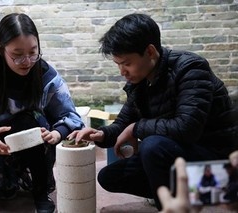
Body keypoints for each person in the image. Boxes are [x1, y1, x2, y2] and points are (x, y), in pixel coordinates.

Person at [68, 13, 237, 211]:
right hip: (179, 155)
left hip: (216, 158)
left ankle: (178, 203)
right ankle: (194, 194)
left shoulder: (191, 69)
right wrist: (101, 134)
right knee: (109, 177)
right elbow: (124, 122)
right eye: (118, 64)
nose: (122, 71)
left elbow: (187, 129)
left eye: (127, 63)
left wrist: (136, 128)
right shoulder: (140, 80)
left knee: (152, 146)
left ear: (150, 51)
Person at [0, 13, 84, 213]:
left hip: (34, 145)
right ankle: (5, 185)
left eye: (33, 52)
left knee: (31, 121)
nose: (27, 61)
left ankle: (40, 190)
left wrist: (57, 133)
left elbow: (72, 117)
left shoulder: (46, 75)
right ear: (1, 49)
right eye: (17, 54)